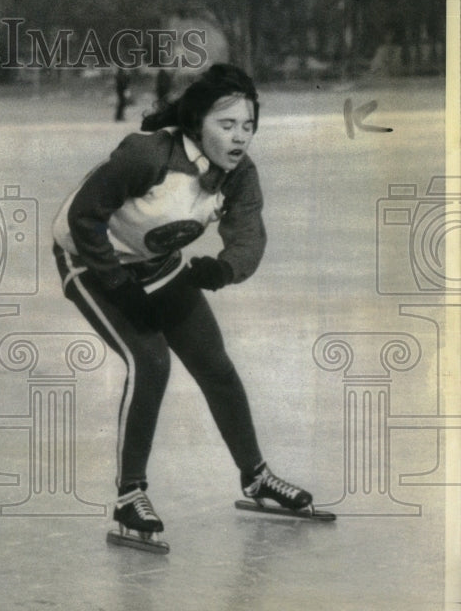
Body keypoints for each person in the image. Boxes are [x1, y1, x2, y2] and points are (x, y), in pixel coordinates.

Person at [53, 63, 321, 549]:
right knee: (150, 361)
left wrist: (222, 269)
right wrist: (115, 281)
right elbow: (83, 216)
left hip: (156, 261)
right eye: (227, 124)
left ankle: (256, 476)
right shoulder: (148, 155)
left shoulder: (240, 175)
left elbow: (247, 236)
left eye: (248, 125)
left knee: (215, 367)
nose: (240, 137)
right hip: (89, 259)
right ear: (198, 123)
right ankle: (129, 494)